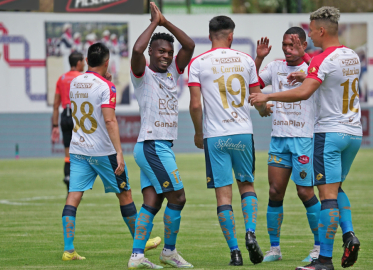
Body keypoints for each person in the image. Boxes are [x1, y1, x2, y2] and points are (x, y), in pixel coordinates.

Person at [250, 6, 362, 270]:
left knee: (325, 197)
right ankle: (347, 235)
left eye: (311, 30)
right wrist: (306, 75)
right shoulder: (351, 55)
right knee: (334, 189)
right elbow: (327, 81)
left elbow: (303, 93)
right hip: (352, 132)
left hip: (324, 134)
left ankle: (323, 257)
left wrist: (267, 97)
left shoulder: (320, 60)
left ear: (320, 30)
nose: (309, 35)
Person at [60, 43, 160, 261]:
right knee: (124, 194)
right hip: (102, 150)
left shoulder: (76, 82)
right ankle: (141, 241)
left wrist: (107, 81)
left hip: (78, 148)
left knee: (74, 195)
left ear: (87, 61)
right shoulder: (107, 87)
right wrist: (119, 152)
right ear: (107, 62)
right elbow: (109, 119)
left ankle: (69, 250)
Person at [188, 16, 272, 266]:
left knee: (223, 197)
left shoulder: (198, 63)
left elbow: (194, 104)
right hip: (242, 134)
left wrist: (197, 132)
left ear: (209, 34)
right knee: (247, 186)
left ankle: (235, 252)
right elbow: (257, 96)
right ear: (231, 36)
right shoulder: (246, 60)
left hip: (215, 137)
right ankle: (250, 233)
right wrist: (264, 110)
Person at [128, 3, 195, 269]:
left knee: (152, 203)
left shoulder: (173, 73)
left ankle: (136, 255)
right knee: (178, 198)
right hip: (152, 146)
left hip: (158, 146)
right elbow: (135, 50)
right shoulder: (142, 74)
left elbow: (188, 46)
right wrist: (154, 24)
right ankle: (168, 251)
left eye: (169, 52)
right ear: (150, 53)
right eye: (160, 52)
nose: (166, 56)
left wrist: (166, 23)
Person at [254, 29, 321, 263]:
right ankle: (274, 249)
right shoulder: (275, 67)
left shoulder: (314, 68)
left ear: (304, 44)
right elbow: (254, 84)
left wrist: (269, 98)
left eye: (293, 45)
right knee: (274, 192)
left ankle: (319, 247)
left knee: (305, 192)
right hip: (279, 138)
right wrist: (260, 58)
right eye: (285, 45)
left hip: (303, 138)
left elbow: (302, 94)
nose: (287, 49)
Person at [52, 52, 84, 192]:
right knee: (81, 150)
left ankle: (68, 178)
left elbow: (55, 104)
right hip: (78, 115)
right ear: (78, 63)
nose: (84, 64)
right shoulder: (82, 78)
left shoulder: (62, 78)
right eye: (82, 62)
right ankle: (79, 183)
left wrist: (54, 125)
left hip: (65, 115)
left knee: (68, 153)